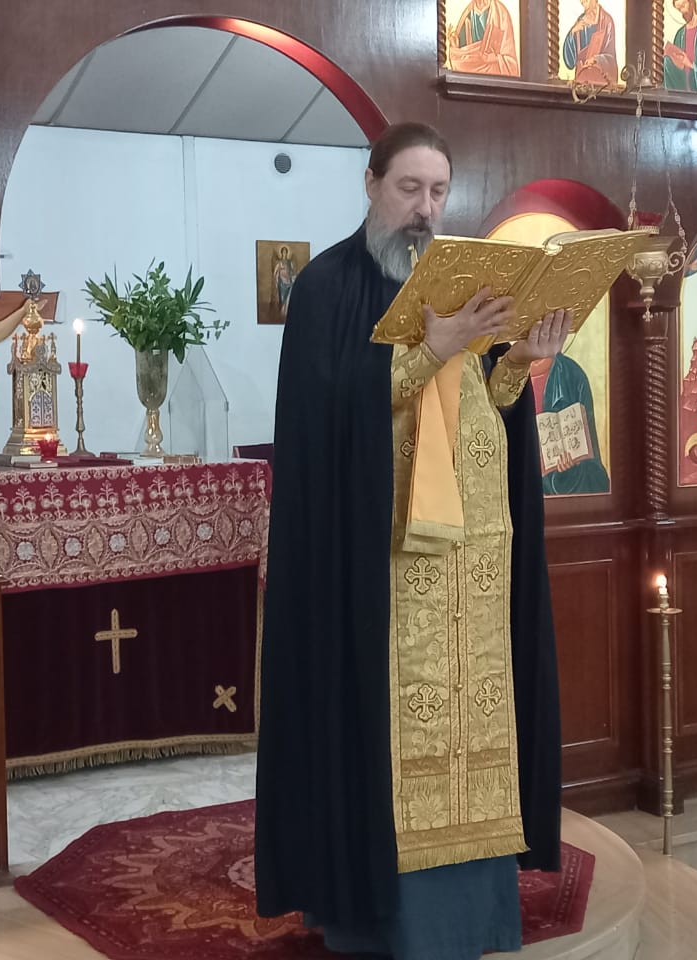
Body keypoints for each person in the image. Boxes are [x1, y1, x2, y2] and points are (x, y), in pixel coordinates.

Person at [255, 122, 563, 960]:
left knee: (475, 753)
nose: (425, 208)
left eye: (438, 191)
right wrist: (429, 350)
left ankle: (476, 919)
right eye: (408, 189)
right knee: (383, 752)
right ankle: (377, 920)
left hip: (471, 572)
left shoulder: (467, 287)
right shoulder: (326, 288)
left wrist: (517, 362)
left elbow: (488, 416)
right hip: (377, 574)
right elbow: (328, 426)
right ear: (371, 185)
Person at [531, 352, 610, 495]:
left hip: (558, 489)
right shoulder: (505, 372)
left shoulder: (572, 375)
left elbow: (589, 458)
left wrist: (570, 471)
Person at [447, 0, 520, 76]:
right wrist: (454, 46)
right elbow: (461, 58)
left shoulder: (501, 14)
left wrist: (494, 58)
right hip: (471, 74)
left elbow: (511, 62)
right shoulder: (467, 15)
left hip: (495, 73)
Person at [562, 0, 619, 87]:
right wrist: (572, 32)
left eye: (585, 1)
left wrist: (596, 59)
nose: (583, 4)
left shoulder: (607, 21)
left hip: (600, 80)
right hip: (581, 78)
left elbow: (610, 56)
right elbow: (570, 61)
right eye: (582, 2)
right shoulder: (581, 20)